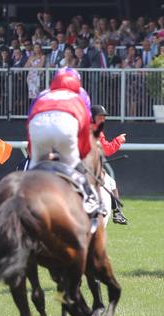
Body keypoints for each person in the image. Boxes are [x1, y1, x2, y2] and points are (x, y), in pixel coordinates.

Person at [27, 67, 102, 217]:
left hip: (38, 126)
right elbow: (85, 126)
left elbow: (30, 120)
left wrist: (32, 153)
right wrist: (81, 154)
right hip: (66, 127)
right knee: (74, 163)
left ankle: (25, 196)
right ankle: (90, 198)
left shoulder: (43, 93)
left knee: (34, 167)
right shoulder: (80, 94)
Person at [91, 105, 128, 225]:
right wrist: (119, 140)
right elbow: (107, 150)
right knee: (111, 182)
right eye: (100, 117)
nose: (103, 120)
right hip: (89, 165)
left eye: (104, 117)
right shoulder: (96, 131)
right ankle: (117, 212)